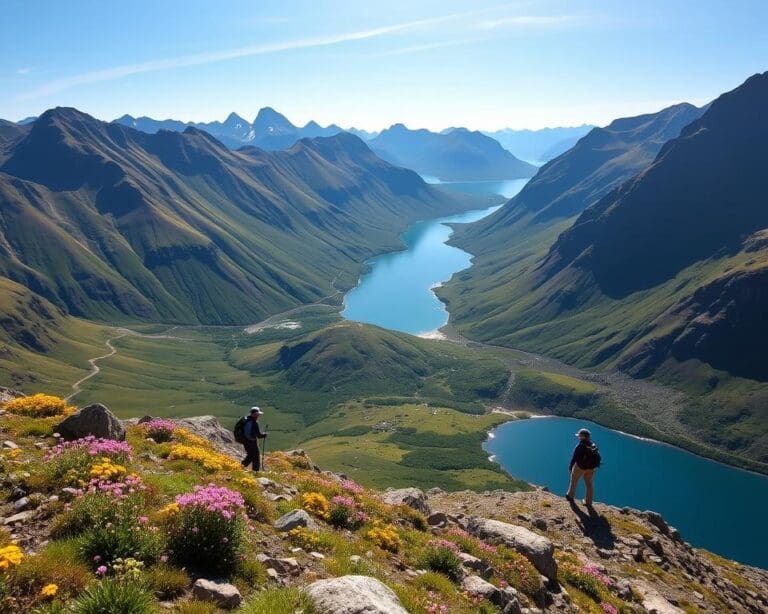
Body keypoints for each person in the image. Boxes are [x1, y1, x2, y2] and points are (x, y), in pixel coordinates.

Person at [566, 427, 601, 506]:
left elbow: (574, 457)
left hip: (580, 467)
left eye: (579, 435)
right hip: (591, 469)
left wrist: (570, 467)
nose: (578, 437)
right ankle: (588, 502)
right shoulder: (593, 445)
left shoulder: (580, 445)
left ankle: (570, 496)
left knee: (574, 481)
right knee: (589, 484)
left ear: (583, 437)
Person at [241, 406, 267, 472]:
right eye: (258, 414)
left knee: (250, 455)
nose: (258, 416)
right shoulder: (254, 423)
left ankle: (241, 467)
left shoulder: (245, 420)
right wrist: (264, 435)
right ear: (255, 414)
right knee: (256, 455)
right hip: (252, 441)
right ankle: (256, 471)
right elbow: (258, 435)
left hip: (245, 441)